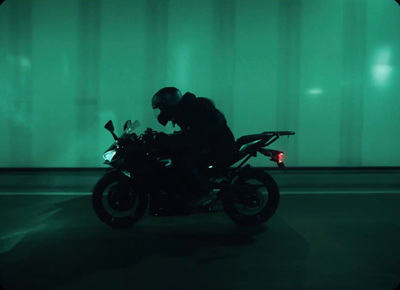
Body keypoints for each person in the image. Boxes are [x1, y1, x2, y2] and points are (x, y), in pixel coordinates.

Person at [151, 87, 236, 208]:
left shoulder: (193, 109)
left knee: (186, 160)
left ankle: (207, 193)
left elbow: (196, 137)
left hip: (220, 147)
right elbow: (191, 134)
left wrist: (170, 141)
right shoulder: (186, 109)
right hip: (212, 143)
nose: (161, 111)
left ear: (169, 103)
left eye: (161, 107)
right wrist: (167, 138)